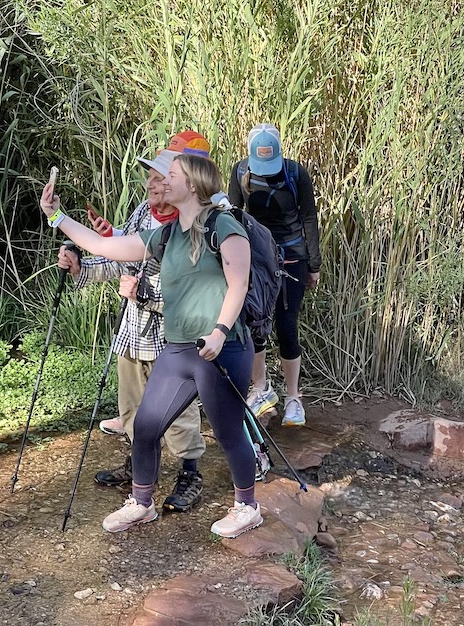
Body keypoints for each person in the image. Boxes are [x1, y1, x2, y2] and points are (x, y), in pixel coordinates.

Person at [41, 153, 263, 538]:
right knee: (145, 426)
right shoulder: (167, 234)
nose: (162, 180)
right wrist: (57, 216)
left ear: (192, 184)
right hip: (178, 350)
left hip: (221, 349)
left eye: (171, 175)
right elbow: (103, 246)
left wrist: (220, 331)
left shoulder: (224, 226)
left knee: (228, 432)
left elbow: (238, 284)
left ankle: (247, 507)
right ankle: (141, 503)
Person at [56, 131, 212, 514]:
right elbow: (118, 259)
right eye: (153, 176)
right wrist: (80, 268)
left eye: (163, 176)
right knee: (132, 407)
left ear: (187, 180)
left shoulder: (196, 224)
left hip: (173, 341)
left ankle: (189, 474)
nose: (153, 184)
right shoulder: (144, 214)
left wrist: (146, 295)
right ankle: (138, 465)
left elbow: (195, 295)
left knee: (178, 414)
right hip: (133, 332)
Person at [228, 124, 320, 428]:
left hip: (293, 258)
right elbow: (232, 217)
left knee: (286, 325)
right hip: (256, 260)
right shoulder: (240, 172)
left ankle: (294, 398)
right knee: (255, 324)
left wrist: (314, 265)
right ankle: (261, 389)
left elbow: (308, 217)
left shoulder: (296, 174)